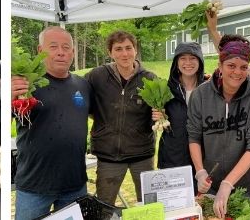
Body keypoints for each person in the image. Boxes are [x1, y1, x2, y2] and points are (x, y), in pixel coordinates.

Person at [187, 34, 250, 219]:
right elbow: (193, 136)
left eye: (243, 67)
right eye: (231, 65)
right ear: (220, 66)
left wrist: (228, 184)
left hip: (241, 187)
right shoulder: (200, 95)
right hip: (208, 186)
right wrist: (200, 171)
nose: (237, 72)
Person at [11, 26, 91, 220]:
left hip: (75, 184)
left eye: (66, 47)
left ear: (72, 52)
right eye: (53, 46)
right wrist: (7, 97)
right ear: (40, 51)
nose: (61, 52)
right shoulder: (25, 85)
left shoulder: (83, 85)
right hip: (35, 186)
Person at [86, 30, 157, 205]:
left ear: (135, 49)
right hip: (109, 156)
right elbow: (81, 101)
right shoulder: (97, 76)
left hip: (142, 154)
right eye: (118, 49)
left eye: (128, 48)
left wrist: (159, 114)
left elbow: (159, 111)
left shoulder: (150, 78)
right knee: (104, 206)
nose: (124, 54)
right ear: (110, 53)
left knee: (150, 204)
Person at [154, 42, 205, 186]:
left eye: (193, 58)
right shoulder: (165, 89)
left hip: (203, 159)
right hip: (172, 157)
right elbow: (153, 120)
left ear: (200, 62)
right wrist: (158, 117)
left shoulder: (209, 87)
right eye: (183, 58)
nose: (187, 63)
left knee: (201, 204)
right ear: (176, 62)